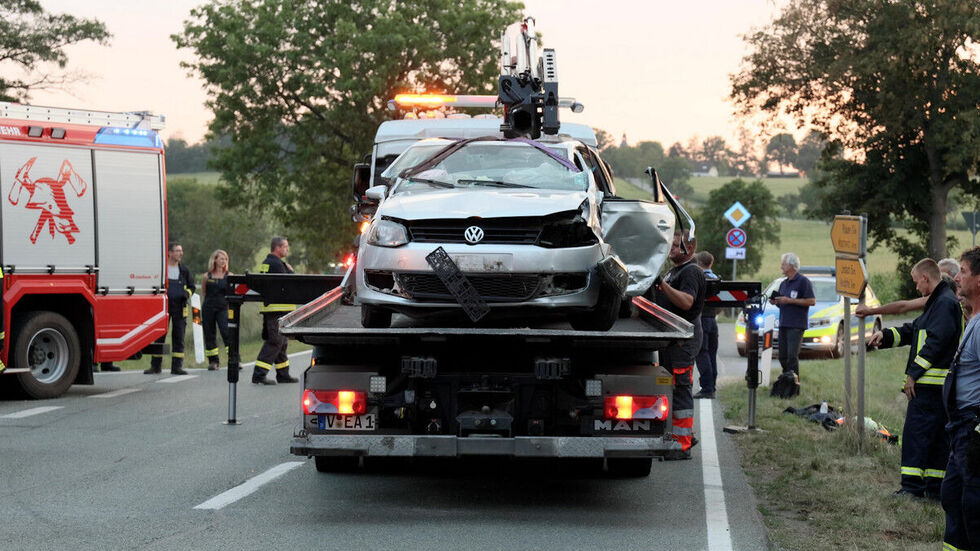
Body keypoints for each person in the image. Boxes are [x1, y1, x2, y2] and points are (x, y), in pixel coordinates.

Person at [868, 258, 962, 499]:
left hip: (930, 385)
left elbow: (937, 342)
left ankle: (911, 488)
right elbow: (916, 330)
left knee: (916, 436)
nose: (916, 289)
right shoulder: (940, 301)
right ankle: (933, 488)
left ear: (925, 278)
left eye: (916, 283)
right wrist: (886, 336)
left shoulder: (944, 302)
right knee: (933, 438)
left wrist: (913, 374)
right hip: (934, 386)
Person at [651, 230, 706, 460]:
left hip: (683, 340)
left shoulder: (691, 271)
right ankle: (683, 435)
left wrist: (663, 284)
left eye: (675, 246)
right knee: (672, 388)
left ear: (690, 249)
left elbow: (686, 302)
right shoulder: (676, 270)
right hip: (672, 338)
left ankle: (682, 446)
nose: (671, 249)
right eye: (671, 245)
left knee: (681, 389)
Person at [942, 247, 980, 548]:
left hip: (973, 430)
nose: (956, 277)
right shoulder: (974, 320)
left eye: (963, 271)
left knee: (973, 507)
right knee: (953, 497)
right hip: (960, 429)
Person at [252, 236, 299, 385]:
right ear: (277, 248)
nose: (287, 249)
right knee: (275, 342)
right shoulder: (277, 265)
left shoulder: (268, 263)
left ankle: (283, 374)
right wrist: (291, 273)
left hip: (274, 309)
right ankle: (259, 375)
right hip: (277, 310)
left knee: (282, 343)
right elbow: (286, 285)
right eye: (285, 246)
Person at [856, 257, 961, 319]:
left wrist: (871, 311)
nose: (939, 278)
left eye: (942, 276)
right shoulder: (939, 298)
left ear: (956, 277)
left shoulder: (945, 299)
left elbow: (903, 306)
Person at [146, 242, 195, 375]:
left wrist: (187, 294)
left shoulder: (184, 270)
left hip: (180, 307)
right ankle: (155, 366)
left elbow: (192, 287)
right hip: (163, 306)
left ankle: (177, 367)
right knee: (159, 335)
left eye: (181, 251)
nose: (181, 253)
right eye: (178, 251)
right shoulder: (162, 269)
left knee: (179, 336)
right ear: (169, 253)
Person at [770, 253, 815, 375]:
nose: (781, 267)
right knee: (782, 356)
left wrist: (790, 300)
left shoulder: (803, 281)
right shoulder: (784, 283)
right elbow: (782, 302)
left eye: (783, 264)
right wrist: (776, 302)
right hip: (783, 323)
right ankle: (787, 379)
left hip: (796, 325)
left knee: (791, 356)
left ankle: (794, 384)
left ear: (791, 265)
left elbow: (811, 301)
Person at [694, 251, 720, 399]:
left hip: (701, 319)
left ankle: (707, 388)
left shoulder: (699, 277)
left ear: (699, 263)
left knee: (702, 353)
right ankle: (712, 385)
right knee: (711, 354)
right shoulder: (716, 279)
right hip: (713, 320)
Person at [201, 249, 232, 371]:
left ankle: (233, 358)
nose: (223, 261)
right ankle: (213, 361)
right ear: (215, 260)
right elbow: (204, 292)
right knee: (209, 334)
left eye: (225, 259)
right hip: (208, 308)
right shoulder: (206, 276)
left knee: (227, 333)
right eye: (221, 258)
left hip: (223, 308)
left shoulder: (229, 276)